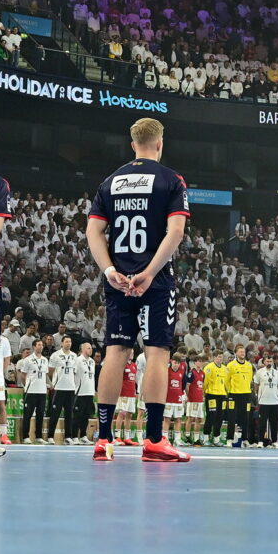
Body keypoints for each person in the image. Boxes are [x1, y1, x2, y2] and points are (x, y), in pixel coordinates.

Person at [84, 117, 191, 463]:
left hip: (118, 279)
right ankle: (155, 440)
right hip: (155, 279)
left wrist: (110, 269)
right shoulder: (171, 180)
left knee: (115, 351)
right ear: (159, 144)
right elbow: (175, 233)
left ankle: (103, 439)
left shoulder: (110, 181)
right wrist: (149, 272)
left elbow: (93, 233)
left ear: (133, 145)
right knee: (157, 353)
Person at [19, 332, 51, 445]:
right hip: (31, 391)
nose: (41, 346)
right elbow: (22, 375)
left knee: (40, 415)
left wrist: (46, 387)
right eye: (38, 345)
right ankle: (25, 436)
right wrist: (27, 385)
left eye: (42, 345)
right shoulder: (28, 360)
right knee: (27, 415)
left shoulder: (45, 360)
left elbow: (45, 375)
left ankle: (38, 437)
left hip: (42, 391)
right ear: (34, 346)